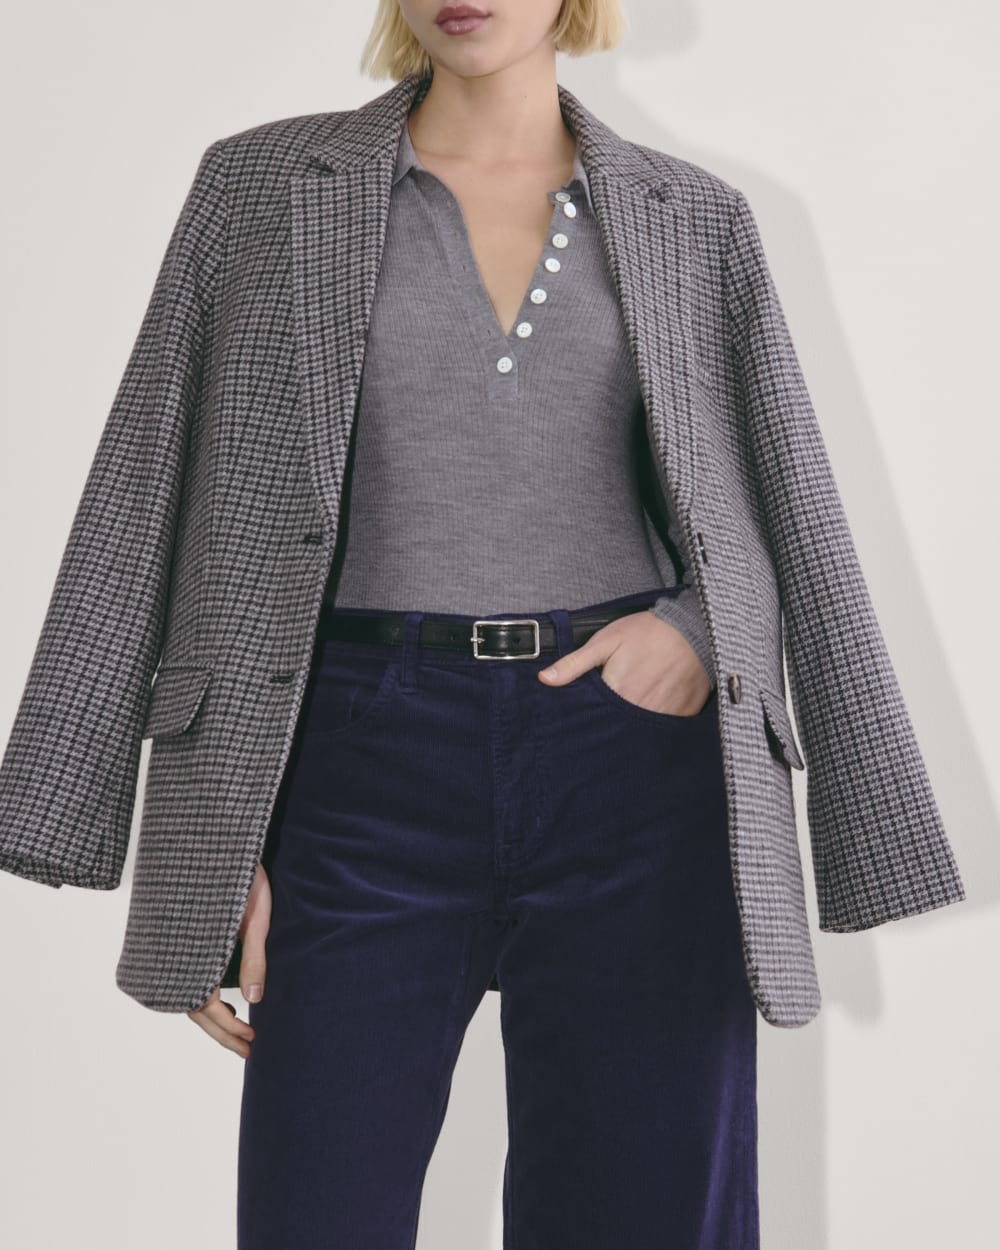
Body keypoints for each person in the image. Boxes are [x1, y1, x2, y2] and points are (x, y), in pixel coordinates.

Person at [0, 2, 965, 1247]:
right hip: (355, 764)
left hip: (634, 775)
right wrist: (209, 841)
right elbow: (147, 481)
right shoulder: (261, 187)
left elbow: (775, 497)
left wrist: (691, 625)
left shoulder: (692, 216)